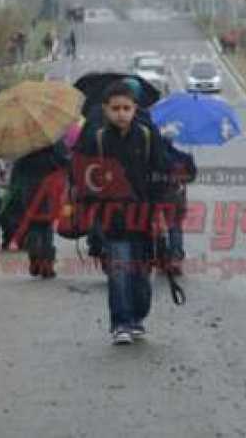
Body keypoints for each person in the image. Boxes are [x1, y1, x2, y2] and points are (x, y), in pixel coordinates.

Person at [73, 80, 167, 345]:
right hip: (111, 218)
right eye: (115, 108)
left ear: (135, 109)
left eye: (126, 108)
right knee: (119, 272)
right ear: (105, 109)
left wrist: (160, 210)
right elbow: (80, 173)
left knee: (141, 274)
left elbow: (161, 173)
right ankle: (121, 323)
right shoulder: (97, 139)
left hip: (143, 217)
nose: (121, 114)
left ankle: (137, 317)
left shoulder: (147, 136)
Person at [1, 141, 69, 278]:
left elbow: (17, 172)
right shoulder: (53, 143)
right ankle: (47, 265)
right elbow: (64, 163)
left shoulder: (24, 144)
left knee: (33, 225)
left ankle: (35, 256)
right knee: (47, 228)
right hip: (49, 191)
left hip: (28, 190)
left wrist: (14, 189)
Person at [160, 133, 196, 276]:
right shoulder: (183, 157)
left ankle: (162, 256)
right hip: (177, 196)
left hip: (156, 196)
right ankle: (175, 258)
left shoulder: (153, 157)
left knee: (156, 227)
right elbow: (191, 177)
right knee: (175, 226)